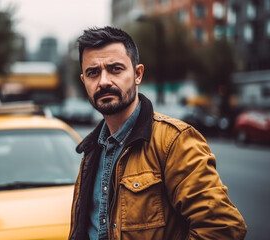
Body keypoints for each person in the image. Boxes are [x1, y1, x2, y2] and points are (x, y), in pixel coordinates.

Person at [69, 26, 247, 240]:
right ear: (84, 81)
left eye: (115, 69)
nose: (103, 81)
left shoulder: (174, 141)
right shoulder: (91, 151)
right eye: (93, 72)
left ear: (137, 74)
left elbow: (223, 229)